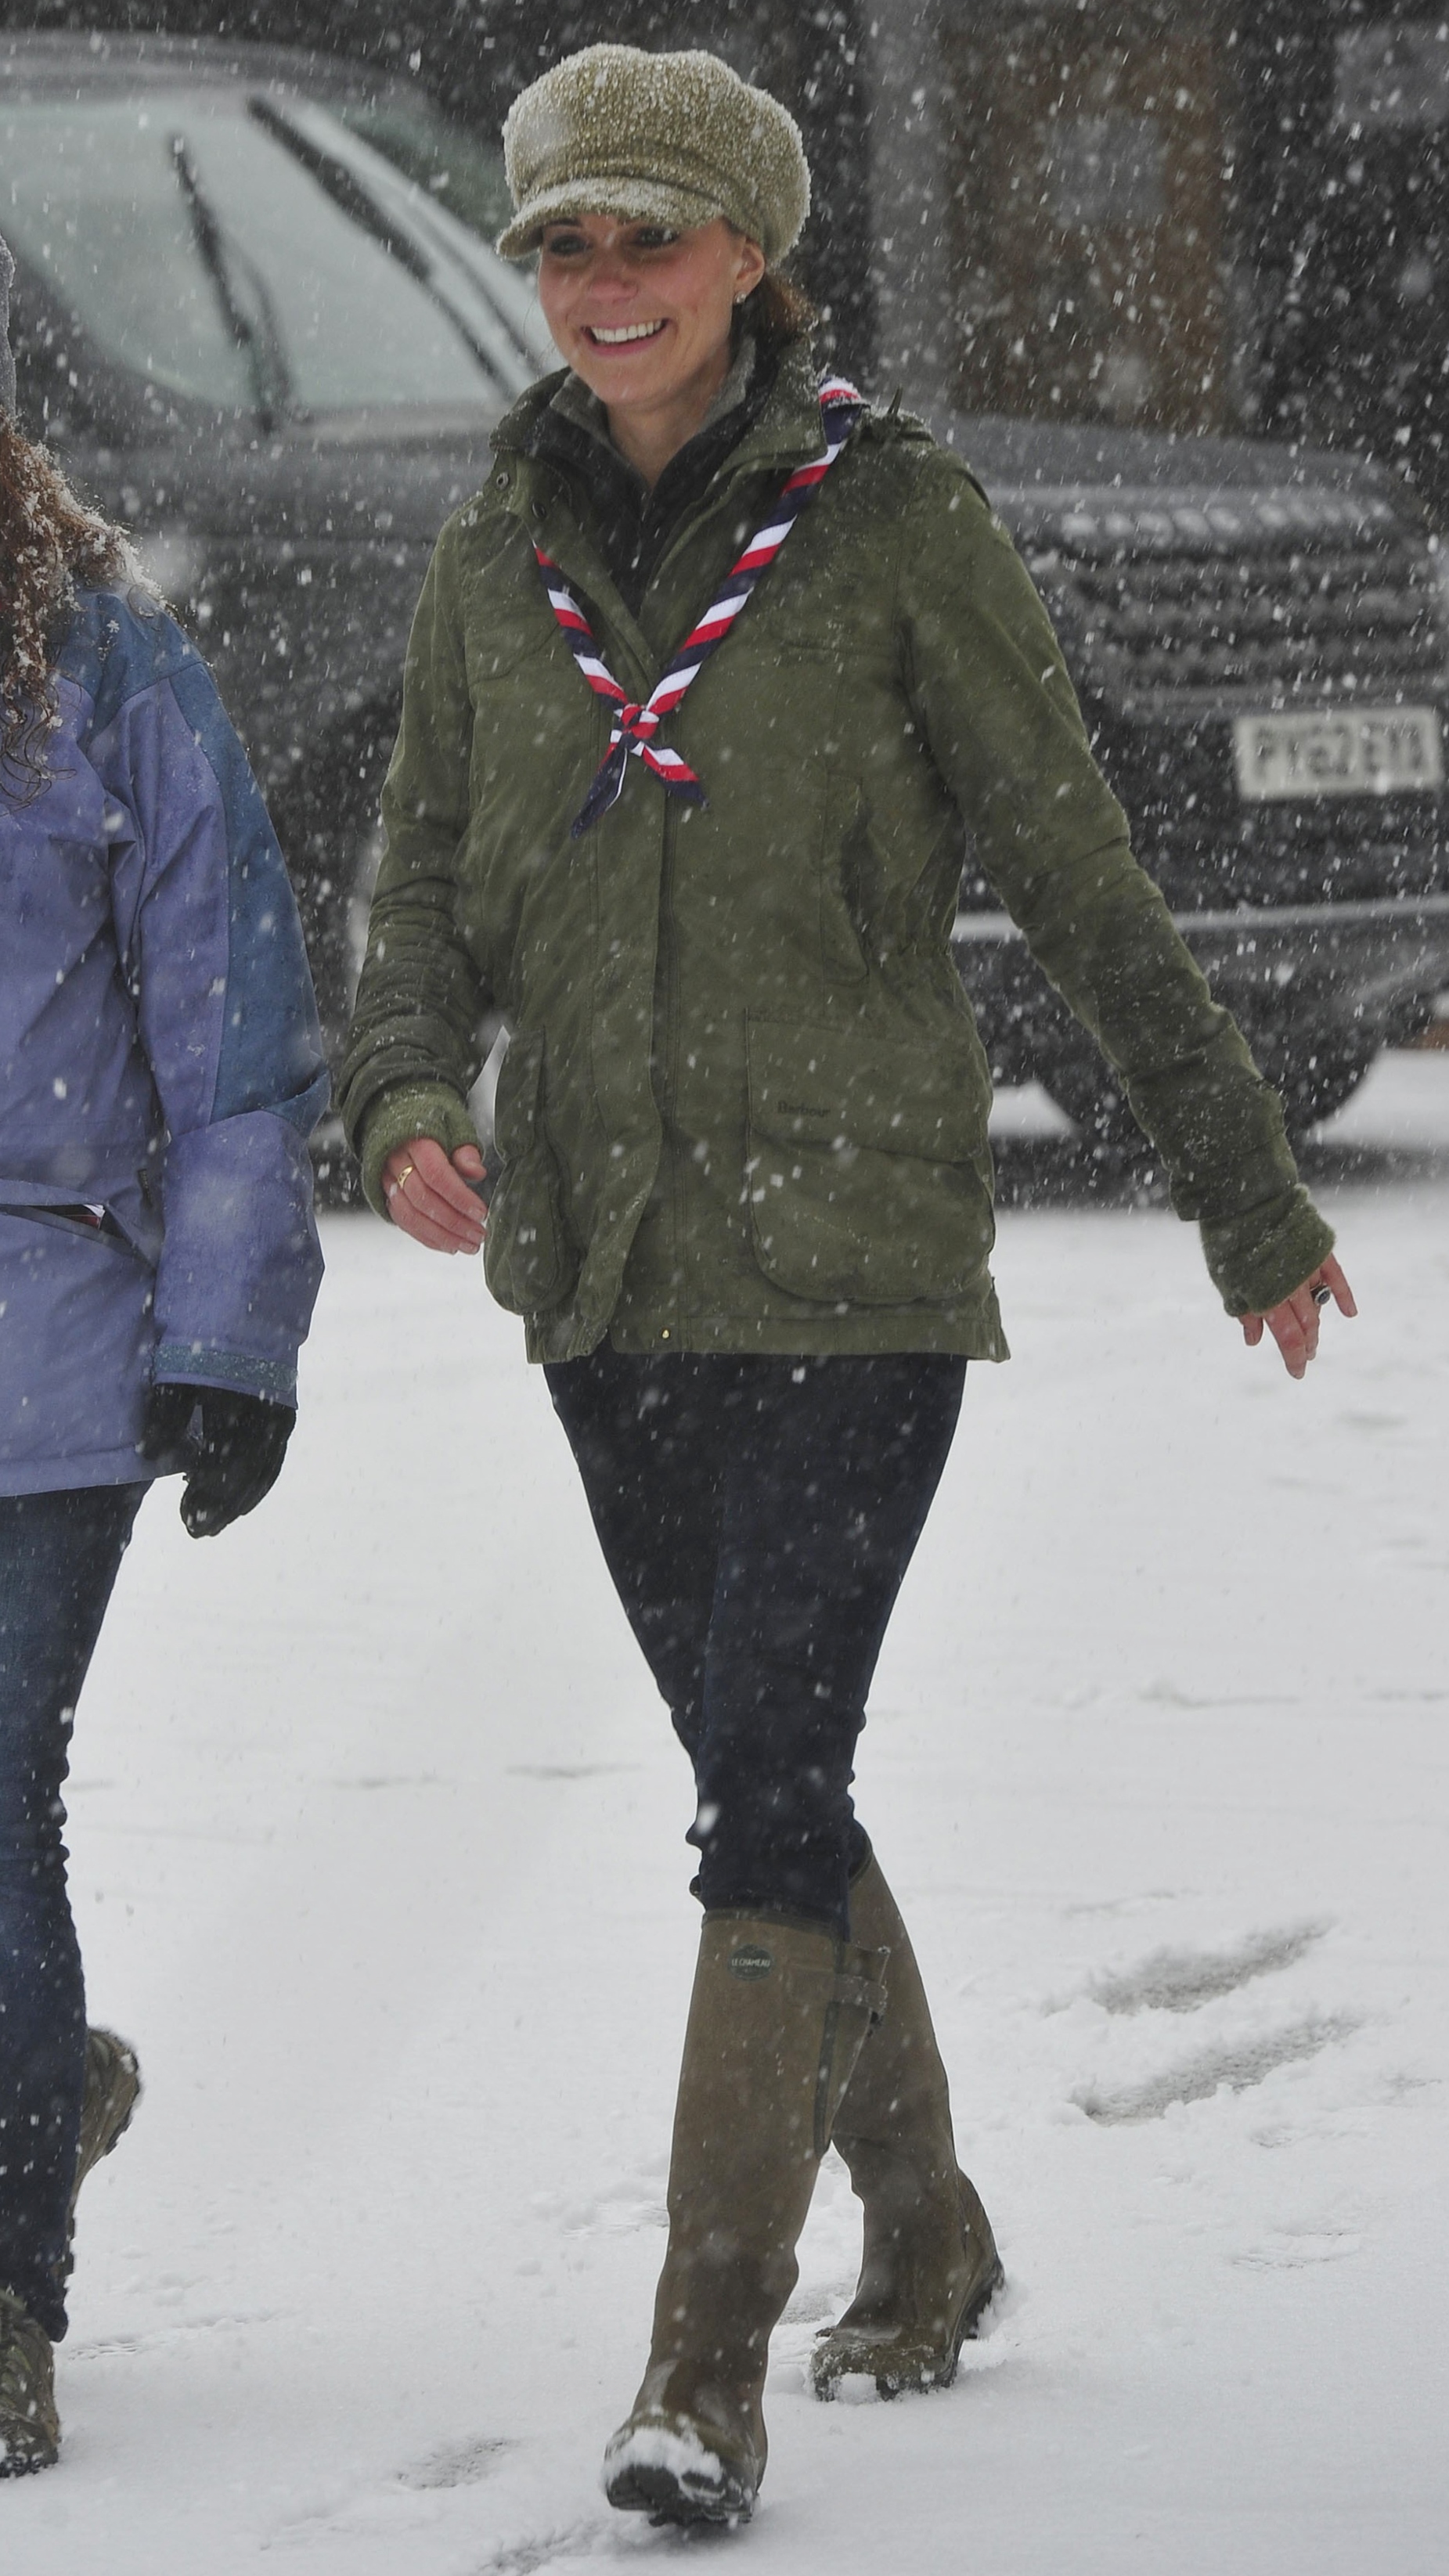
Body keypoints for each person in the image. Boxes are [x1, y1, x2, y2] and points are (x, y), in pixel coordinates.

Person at [338, 45, 1355, 2531]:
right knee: (755, 1768)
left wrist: (1243, 1188)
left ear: (754, 262)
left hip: (859, 1256)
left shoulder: (896, 526)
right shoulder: (496, 539)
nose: (604, 290)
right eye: (567, 246)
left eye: (652, 243)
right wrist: (401, 1103)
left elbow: (1086, 875)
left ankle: (705, 2364)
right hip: (606, 1261)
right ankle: (922, 2220)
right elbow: (424, 882)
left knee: (765, 1779)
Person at [0, 236, 327, 2475]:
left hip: (52, 1340)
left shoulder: (109, 675)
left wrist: (227, 1332)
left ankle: (8, 2290)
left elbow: (232, 1037)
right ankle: (47, 2074)